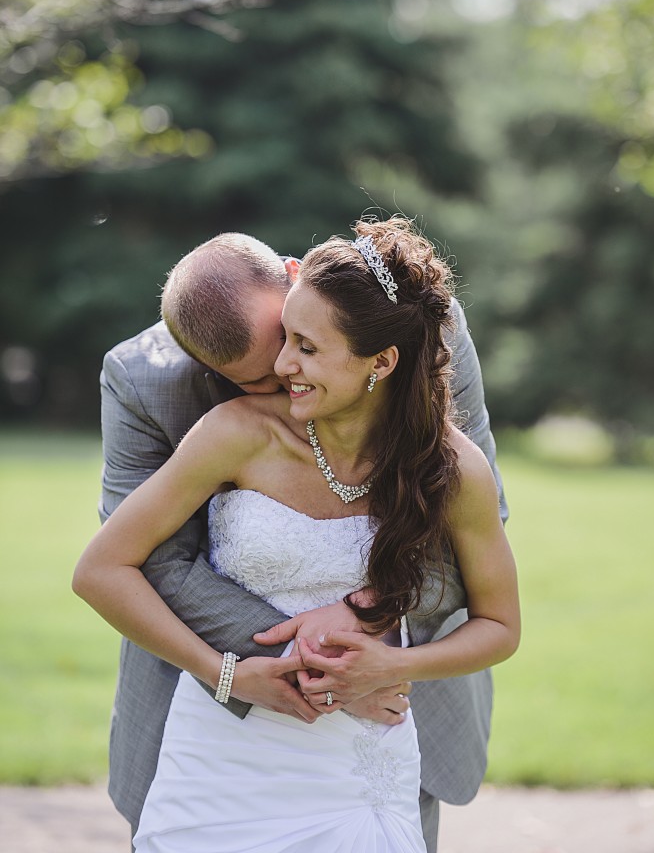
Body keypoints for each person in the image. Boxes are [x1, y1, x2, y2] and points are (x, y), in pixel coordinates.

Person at [75, 217, 520, 852]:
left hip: (388, 704)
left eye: (296, 345)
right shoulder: (170, 395)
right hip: (228, 720)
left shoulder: (417, 324)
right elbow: (148, 565)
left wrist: (370, 630)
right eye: (253, 381)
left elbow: (468, 523)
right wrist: (279, 669)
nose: (283, 381)